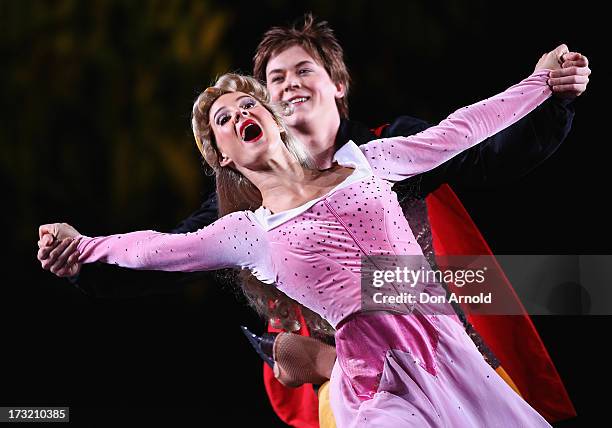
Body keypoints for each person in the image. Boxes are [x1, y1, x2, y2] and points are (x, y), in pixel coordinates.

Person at [37, 14, 590, 427]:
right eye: (275, 78)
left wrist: (548, 89)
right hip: (365, 379)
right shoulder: (239, 220)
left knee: (564, 287)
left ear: (336, 85)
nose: (287, 85)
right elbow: (158, 252)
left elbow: (476, 140)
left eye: (304, 69)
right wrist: (80, 252)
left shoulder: (376, 152)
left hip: (445, 337)